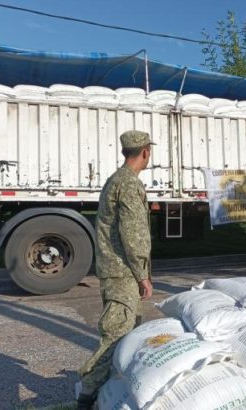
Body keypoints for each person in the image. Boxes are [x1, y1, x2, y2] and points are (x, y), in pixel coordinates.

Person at [76, 130, 155, 409]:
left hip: (116, 270)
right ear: (145, 152)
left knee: (126, 332)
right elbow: (134, 236)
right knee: (117, 336)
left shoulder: (115, 181)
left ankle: (104, 390)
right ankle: (87, 391)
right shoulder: (129, 184)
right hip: (123, 273)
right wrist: (143, 276)